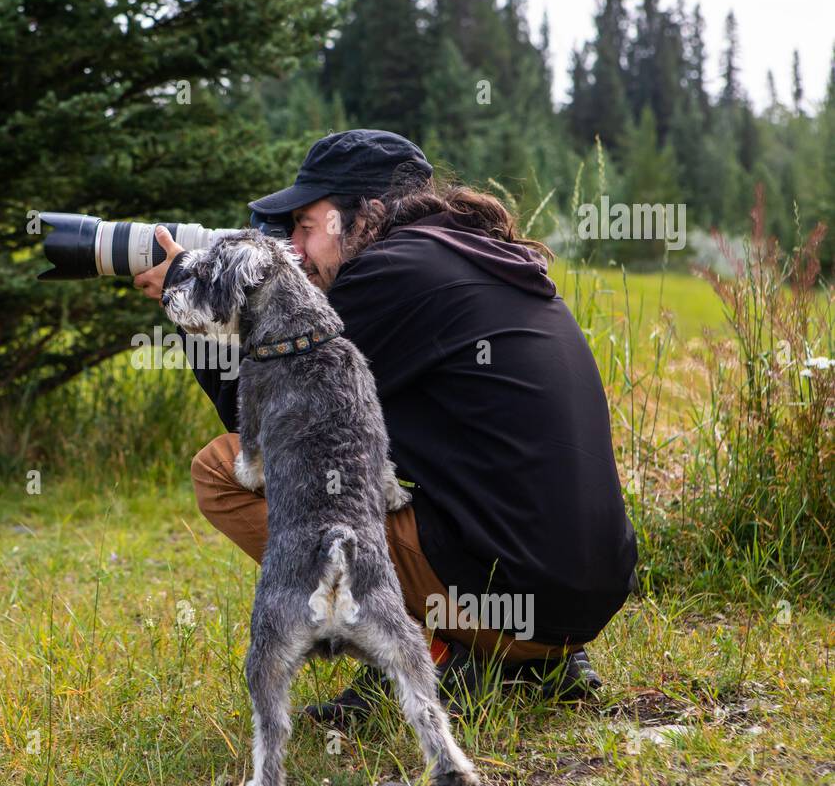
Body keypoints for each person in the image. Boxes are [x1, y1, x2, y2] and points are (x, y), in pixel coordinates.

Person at [135, 129, 637, 721]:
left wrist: (192, 299)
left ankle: (439, 657)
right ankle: (522, 660)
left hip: (509, 589)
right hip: (580, 595)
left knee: (221, 471)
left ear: (365, 214)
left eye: (305, 225)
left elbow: (263, 433)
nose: (294, 250)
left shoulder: (388, 274)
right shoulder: (466, 258)